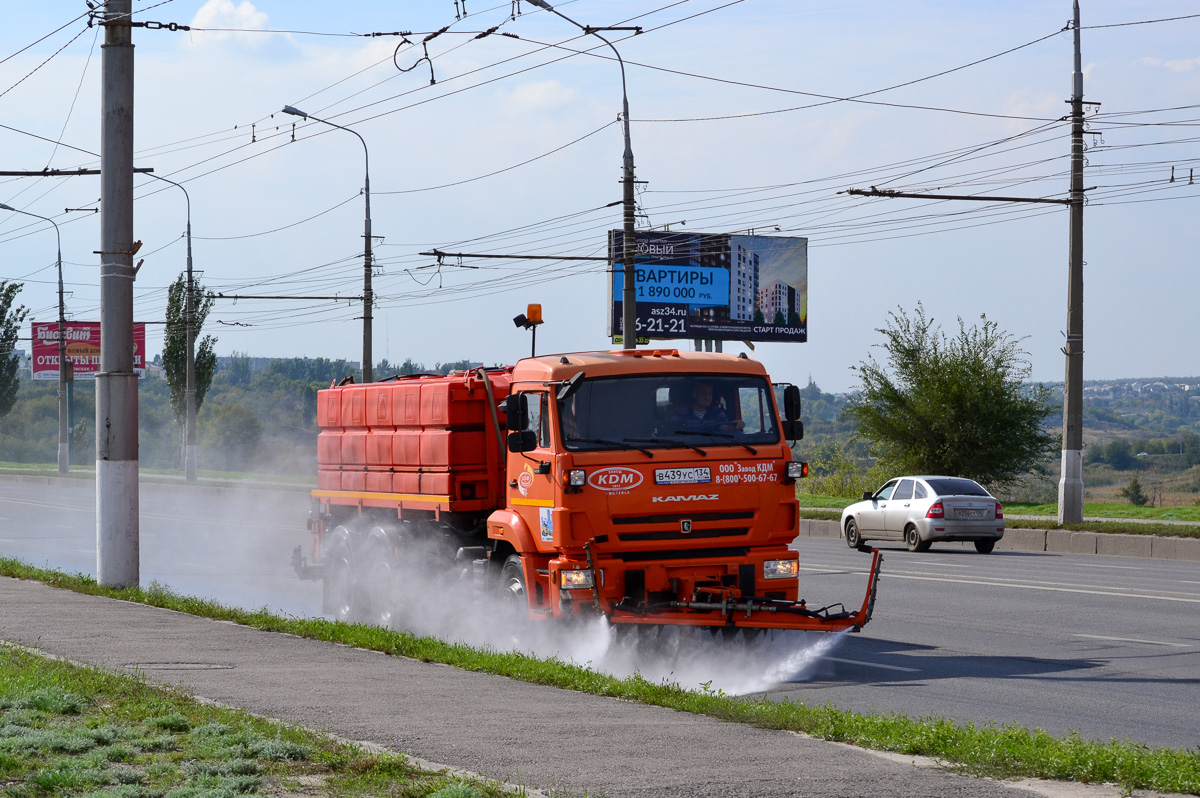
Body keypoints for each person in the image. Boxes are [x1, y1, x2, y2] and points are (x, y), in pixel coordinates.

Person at [668, 380, 744, 432]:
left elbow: (724, 426)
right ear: (695, 394)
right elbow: (671, 430)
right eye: (704, 393)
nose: (708, 397)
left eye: (710, 394)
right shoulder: (680, 412)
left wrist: (735, 424)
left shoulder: (717, 412)